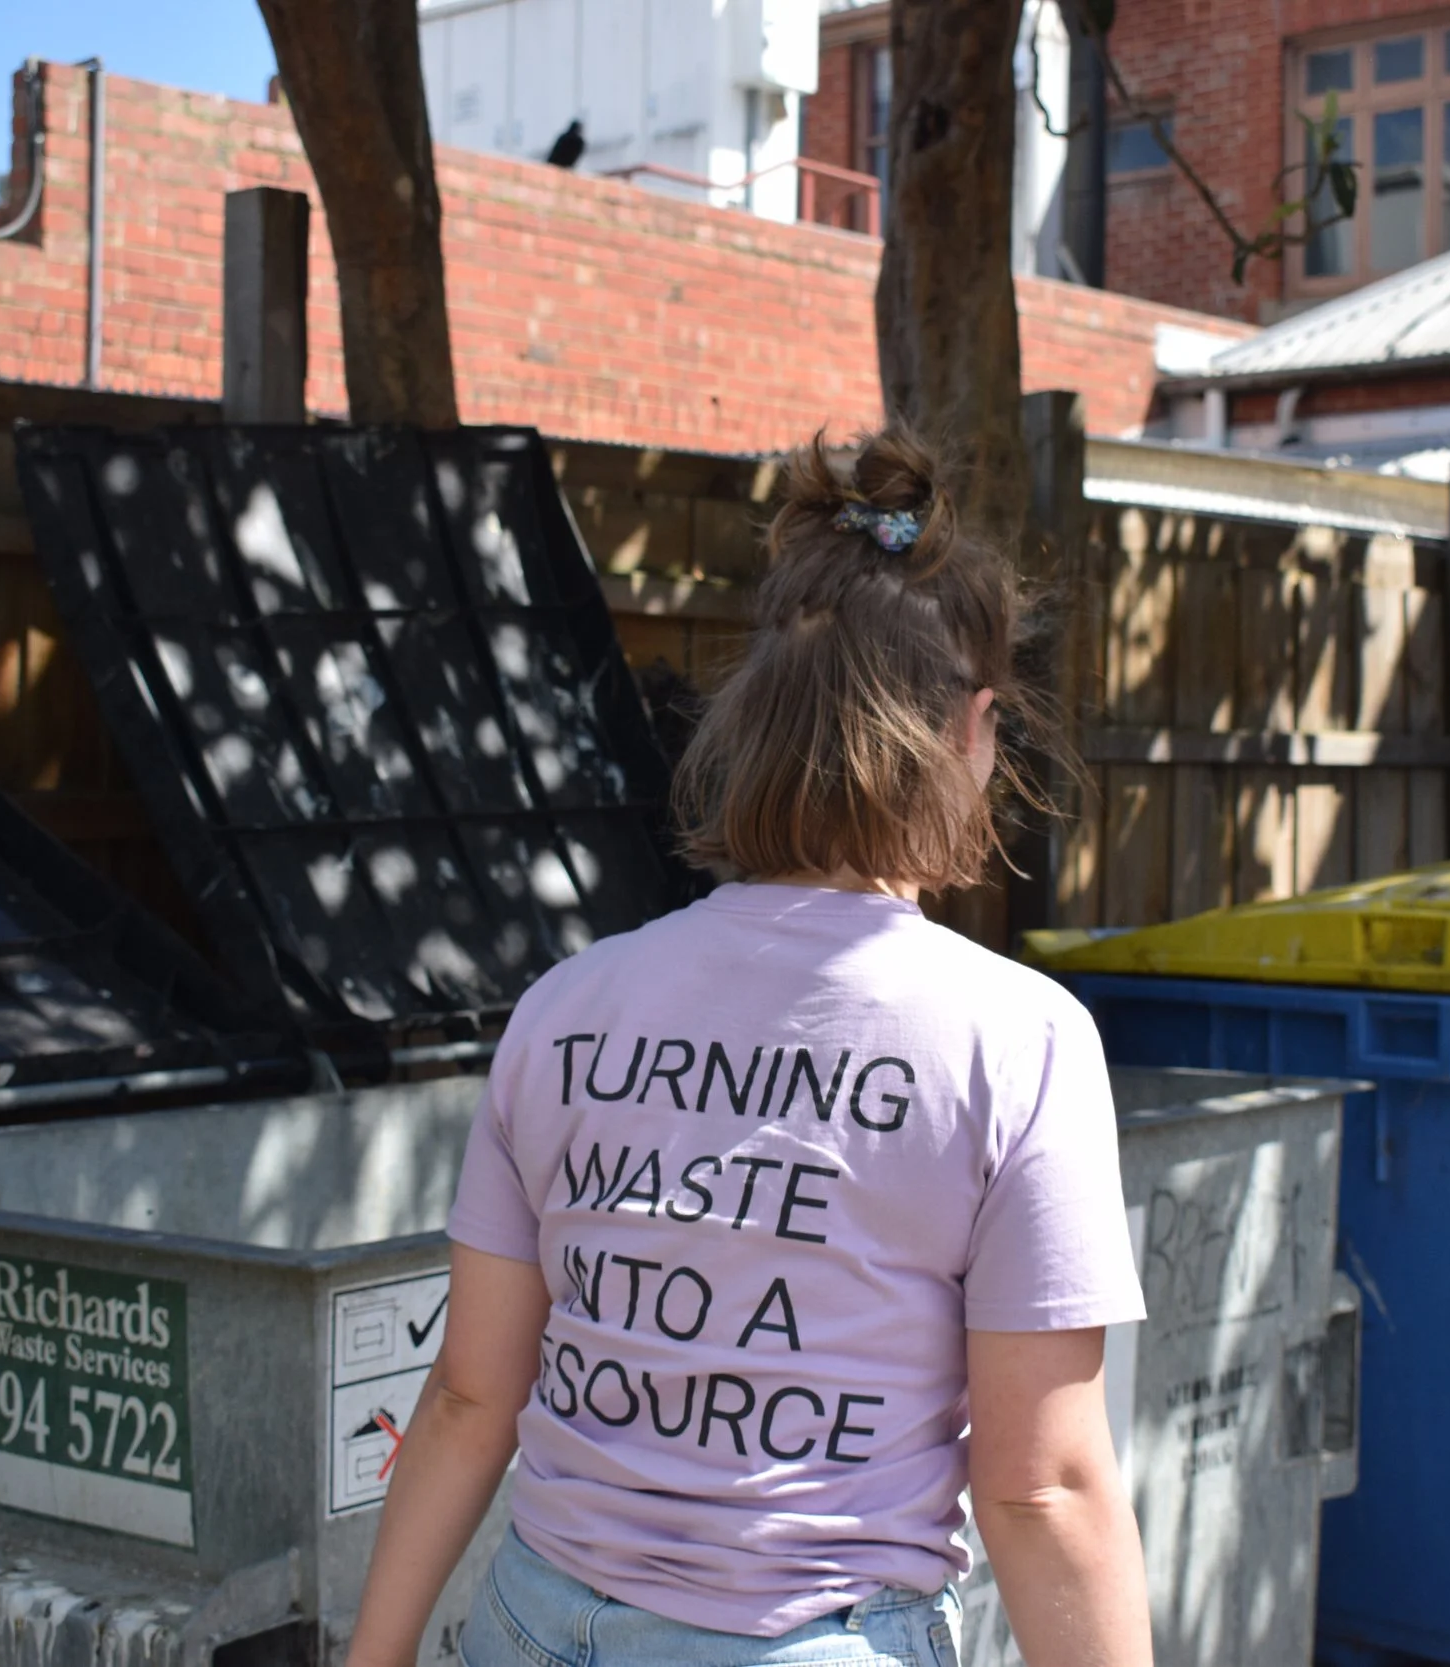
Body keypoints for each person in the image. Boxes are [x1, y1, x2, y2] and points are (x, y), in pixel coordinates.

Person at [343, 429, 1151, 1667]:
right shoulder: (1019, 1041)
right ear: (975, 727)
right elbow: (1040, 1486)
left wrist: (374, 1652)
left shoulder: (564, 1007)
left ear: (756, 716)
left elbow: (466, 1394)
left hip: (529, 1621)